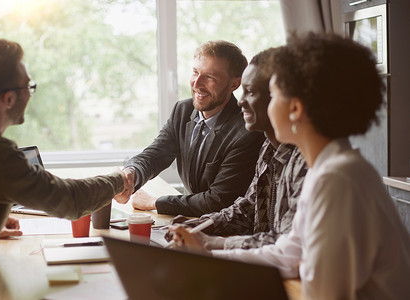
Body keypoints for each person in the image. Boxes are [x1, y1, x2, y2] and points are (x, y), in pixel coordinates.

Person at [171, 33, 410, 299]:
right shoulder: (330, 168)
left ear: (295, 108)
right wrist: (207, 253)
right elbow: (289, 251)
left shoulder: (337, 179)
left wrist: (209, 255)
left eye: (273, 94)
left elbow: (321, 291)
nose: (241, 103)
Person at [0, 39, 132, 249]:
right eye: (28, 86)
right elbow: (70, 200)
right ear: (8, 99)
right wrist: (118, 181)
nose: (30, 94)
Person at [169, 47, 308, 251]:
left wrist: (212, 243)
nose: (240, 101)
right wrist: (204, 225)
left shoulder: (305, 162)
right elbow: (249, 208)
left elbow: (287, 243)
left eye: (250, 92)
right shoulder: (269, 148)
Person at [124, 40, 263, 217]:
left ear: (234, 85)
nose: (197, 83)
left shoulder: (246, 132)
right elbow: (156, 154)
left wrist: (154, 202)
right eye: (196, 72)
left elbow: (218, 201)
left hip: (225, 229)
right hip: (191, 221)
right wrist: (130, 173)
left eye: (210, 77)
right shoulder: (182, 111)